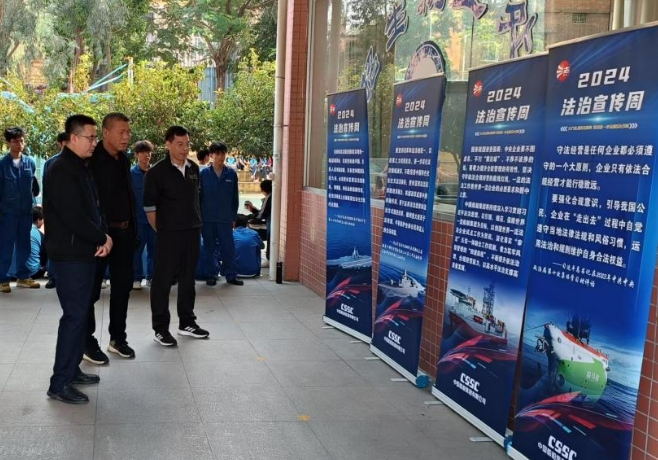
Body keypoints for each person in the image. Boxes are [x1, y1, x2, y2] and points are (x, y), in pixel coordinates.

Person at [44, 114, 113, 404]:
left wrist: (103, 233)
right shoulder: (62, 169)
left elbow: (94, 208)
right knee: (74, 316)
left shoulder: (80, 166)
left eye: (96, 137)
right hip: (70, 256)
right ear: (73, 138)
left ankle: (71, 370)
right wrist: (102, 237)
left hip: (83, 252)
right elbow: (73, 216)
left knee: (81, 314)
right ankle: (59, 383)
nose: (95, 142)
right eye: (90, 137)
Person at [143, 125, 209, 346]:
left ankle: (187, 322)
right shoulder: (156, 173)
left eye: (187, 144)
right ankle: (160, 328)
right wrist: (163, 229)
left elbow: (197, 200)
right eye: (179, 144)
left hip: (192, 231)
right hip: (168, 234)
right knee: (162, 281)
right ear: (168, 144)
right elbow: (150, 208)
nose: (184, 149)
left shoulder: (193, 168)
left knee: (188, 278)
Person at [84, 112, 137, 364]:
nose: (126, 137)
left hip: (124, 234)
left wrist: (133, 232)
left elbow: (128, 197)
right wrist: (98, 234)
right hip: (99, 236)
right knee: (91, 291)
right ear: (105, 133)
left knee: (122, 288)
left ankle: (118, 338)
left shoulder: (124, 160)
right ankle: (87, 342)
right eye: (121, 132)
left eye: (128, 132)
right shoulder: (91, 161)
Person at [0, 127, 40, 293]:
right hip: (8, 213)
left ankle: (23, 277)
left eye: (22, 140)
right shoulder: (2, 164)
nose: (19, 144)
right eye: (15, 141)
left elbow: (33, 188)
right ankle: (3, 279)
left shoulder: (30, 162)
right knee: (6, 245)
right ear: (8, 142)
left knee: (25, 245)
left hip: (25, 212)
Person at [199, 142, 243, 286]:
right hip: (207, 218)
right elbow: (198, 197)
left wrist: (233, 217)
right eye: (217, 153)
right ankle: (211, 275)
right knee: (209, 248)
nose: (220, 156)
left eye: (223, 153)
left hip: (225, 218)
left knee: (228, 248)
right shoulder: (203, 174)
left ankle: (231, 275)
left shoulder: (231, 174)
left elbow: (234, 198)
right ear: (211, 155)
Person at [42, 132, 68, 289]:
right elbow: (46, 188)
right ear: (60, 144)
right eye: (64, 143)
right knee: (53, 243)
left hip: (72, 210)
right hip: (54, 211)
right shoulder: (50, 163)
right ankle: (53, 276)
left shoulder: (82, 161)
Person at [130, 140, 156, 290]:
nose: (146, 155)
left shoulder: (156, 174)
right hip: (138, 220)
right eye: (143, 152)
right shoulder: (130, 174)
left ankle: (151, 277)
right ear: (137, 155)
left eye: (148, 152)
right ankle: (136, 278)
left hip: (154, 220)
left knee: (154, 250)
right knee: (137, 251)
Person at [248, 179, 272, 266]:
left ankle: (269, 259)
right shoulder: (273, 196)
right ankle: (269, 258)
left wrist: (251, 219)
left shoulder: (269, 197)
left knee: (270, 238)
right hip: (270, 221)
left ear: (263, 189)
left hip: (270, 223)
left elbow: (262, 214)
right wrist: (253, 210)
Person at [26, 206, 47, 279]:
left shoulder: (20, 231)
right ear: (38, 220)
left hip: (14, 273)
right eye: (42, 219)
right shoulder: (40, 235)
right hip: (33, 273)